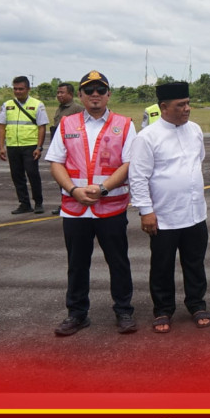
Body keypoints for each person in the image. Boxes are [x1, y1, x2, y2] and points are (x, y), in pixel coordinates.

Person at [46, 71, 137, 336]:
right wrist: (73, 190)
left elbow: (129, 163)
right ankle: (76, 314)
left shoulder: (125, 124)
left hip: (111, 207)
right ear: (81, 96)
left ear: (109, 94)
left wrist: (104, 188)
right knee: (77, 264)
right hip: (76, 208)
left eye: (100, 90)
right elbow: (56, 163)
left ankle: (123, 310)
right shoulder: (67, 124)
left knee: (118, 262)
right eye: (89, 91)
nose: (95, 95)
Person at [129, 82, 210, 333]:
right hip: (163, 216)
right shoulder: (147, 137)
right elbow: (138, 177)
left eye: (188, 103)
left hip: (195, 212)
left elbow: (199, 161)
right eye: (180, 105)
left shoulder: (195, 130)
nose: (187, 109)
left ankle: (196, 304)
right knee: (162, 265)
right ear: (164, 107)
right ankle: (163, 309)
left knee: (195, 263)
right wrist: (146, 211)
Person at [0, 76, 48, 214]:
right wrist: (1, 147)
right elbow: (2, 127)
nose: (18, 92)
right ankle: (24, 203)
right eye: (15, 89)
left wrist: (39, 147)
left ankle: (38, 202)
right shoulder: (7, 105)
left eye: (21, 89)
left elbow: (42, 127)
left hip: (30, 145)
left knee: (32, 174)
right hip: (13, 146)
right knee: (17, 175)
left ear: (28, 89)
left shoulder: (37, 104)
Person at [49, 83, 84, 214]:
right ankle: (64, 202)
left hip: (73, 149)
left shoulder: (77, 109)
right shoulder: (60, 109)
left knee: (70, 177)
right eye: (58, 92)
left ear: (71, 94)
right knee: (60, 177)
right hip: (60, 146)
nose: (59, 95)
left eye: (62, 92)